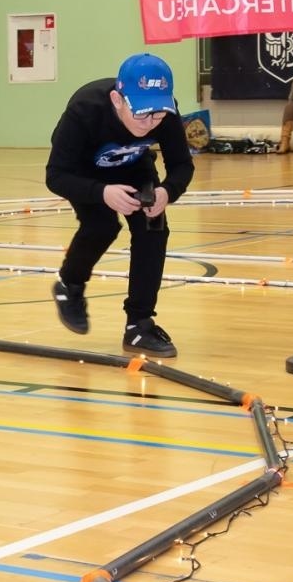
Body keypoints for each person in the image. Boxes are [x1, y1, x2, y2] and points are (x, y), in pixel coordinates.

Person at [46, 52, 194, 358]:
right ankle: (70, 285)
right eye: (141, 114)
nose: (151, 122)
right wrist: (101, 193)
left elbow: (182, 165)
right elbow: (56, 176)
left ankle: (139, 324)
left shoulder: (163, 112)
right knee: (101, 226)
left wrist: (167, 191)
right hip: (84, 171)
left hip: (133, 166)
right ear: (117, 99)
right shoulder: (84, 111)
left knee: (154, 226)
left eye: (158, 115)